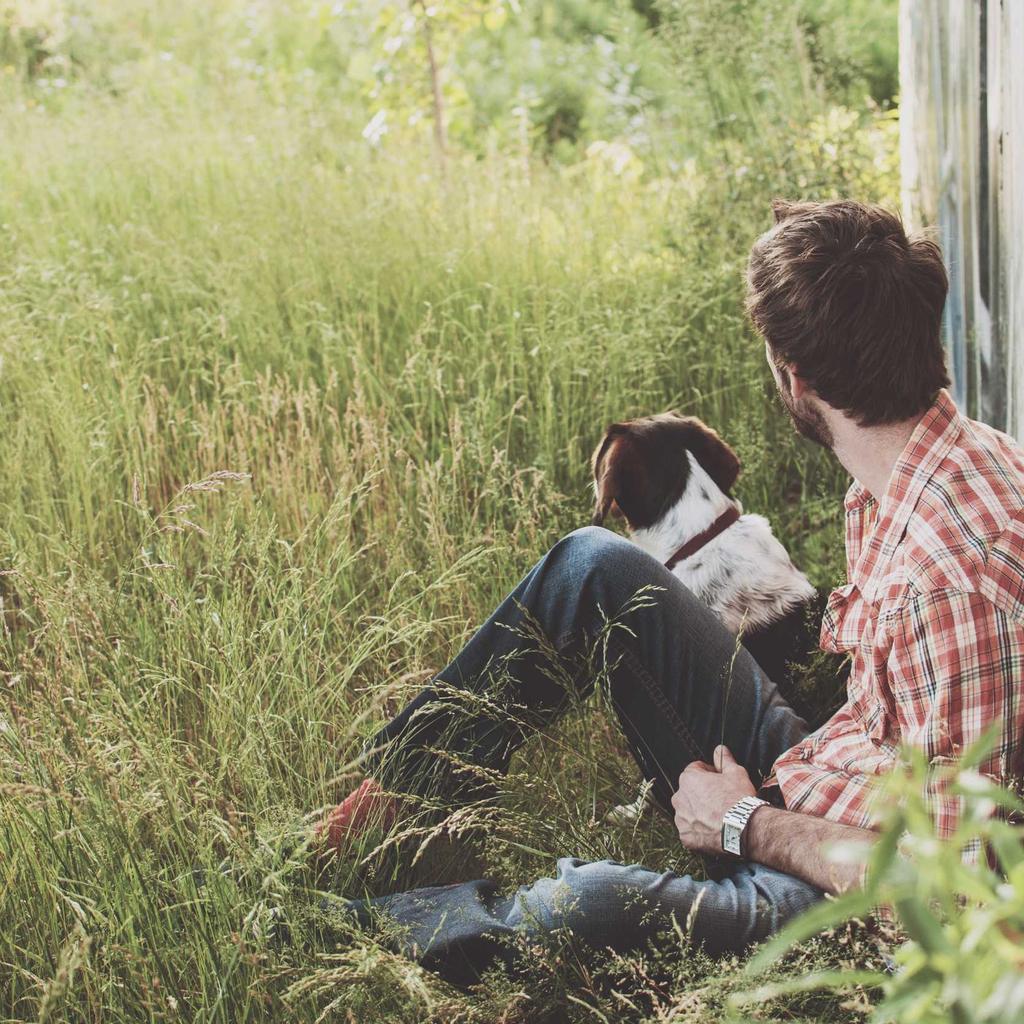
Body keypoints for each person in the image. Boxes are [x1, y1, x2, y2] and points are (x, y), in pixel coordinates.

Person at [313, 200, 1024, 984]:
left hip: (867, 905)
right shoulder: (937, 464)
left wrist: (744, 823)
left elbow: (947, 894)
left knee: (578, 903)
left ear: (795, 377)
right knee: (593, 565)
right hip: (845, 787)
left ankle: (324, 930)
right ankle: (381, 810)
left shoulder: (950, 577)